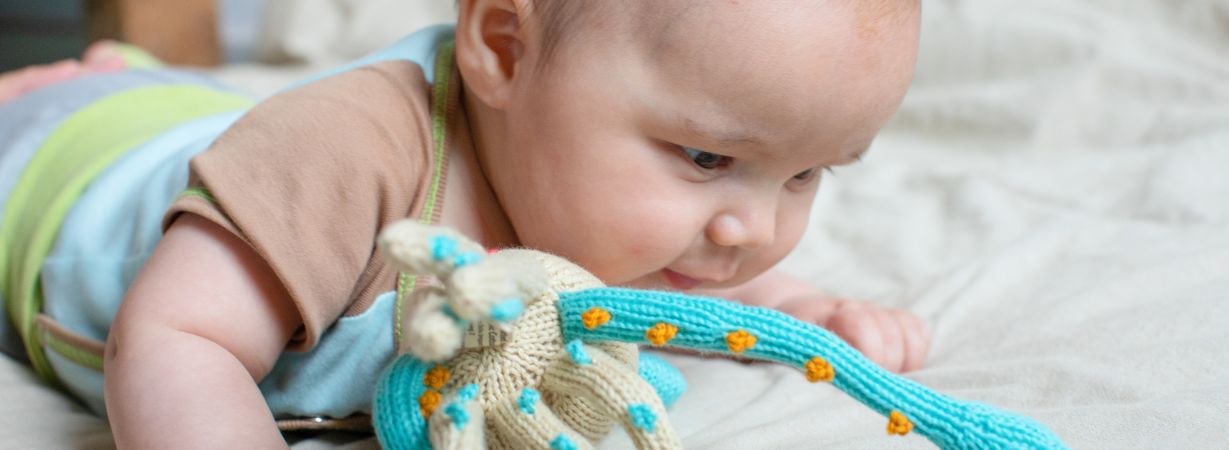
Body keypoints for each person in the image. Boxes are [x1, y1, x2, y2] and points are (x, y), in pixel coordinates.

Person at [0, 0, 927, 447]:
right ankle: (93, 78)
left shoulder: (600, 189)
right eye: (708, 159)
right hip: (59, 171)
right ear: (503, 48)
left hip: (201, 122)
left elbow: (673, 272)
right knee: (83, 113)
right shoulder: (341, 156)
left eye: (806, 173)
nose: (747, 232)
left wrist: (794, 305)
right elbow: (174, 336)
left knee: (199, 112)